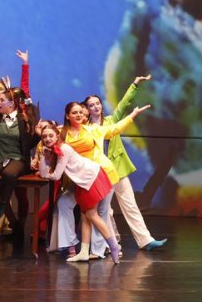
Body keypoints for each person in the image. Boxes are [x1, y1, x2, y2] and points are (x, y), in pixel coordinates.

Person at [84, 75, 167, 251]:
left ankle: (145, 240)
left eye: (97, 103)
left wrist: (135, 84)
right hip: (100, 172)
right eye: (91, 105)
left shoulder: (111, 121)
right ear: (87, 110)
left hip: (118, 169)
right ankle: (111, 242)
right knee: (105, 210)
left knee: (130, 205)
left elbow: (123, 104)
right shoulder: (86, 129)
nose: (96, 107)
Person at [59, 101, 151, 260]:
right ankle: (88, 251)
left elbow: (114, 129)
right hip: (82, 178)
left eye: (80, 112)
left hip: (100, 173)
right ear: (67, 116)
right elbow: (51, 142)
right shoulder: (62, 133)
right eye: (74, 113)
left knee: (97, 212)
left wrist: (132, 115)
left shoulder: (92, 129)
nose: (79, 115)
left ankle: (106, 249)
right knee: (87, 213)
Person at [37, 123, 121, 264]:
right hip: (82, 181)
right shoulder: (53, 151)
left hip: (90, 178)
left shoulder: (63, 149)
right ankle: (83, 252)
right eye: (44, 136)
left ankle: (114, 246)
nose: (47, 139)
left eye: (51, 135)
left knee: (91, 214)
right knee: (84, 214)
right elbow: (44, 173)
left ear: (57, 136)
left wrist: (48, 172)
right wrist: (43, 157)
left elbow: (56, 176)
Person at [0, 72, 41, 246]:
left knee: (10, 174)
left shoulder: (23, 119)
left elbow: (28, 144)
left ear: (11, 104)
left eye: (1, 101)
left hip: (16, 157)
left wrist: (38, 135)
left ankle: (3, 204)